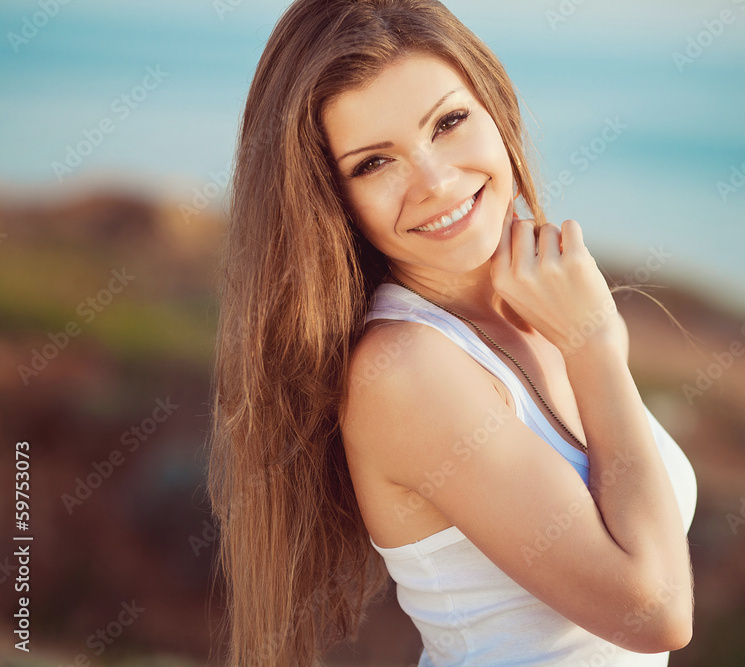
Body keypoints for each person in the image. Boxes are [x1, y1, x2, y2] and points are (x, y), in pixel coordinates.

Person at [207, 1, 697, 665]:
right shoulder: (405, 369)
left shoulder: (539, 302)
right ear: (330, 200)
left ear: (497, 107)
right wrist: (596, 345)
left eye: (450, 121)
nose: (436, 182)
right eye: (375, 163)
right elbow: (654, 611)